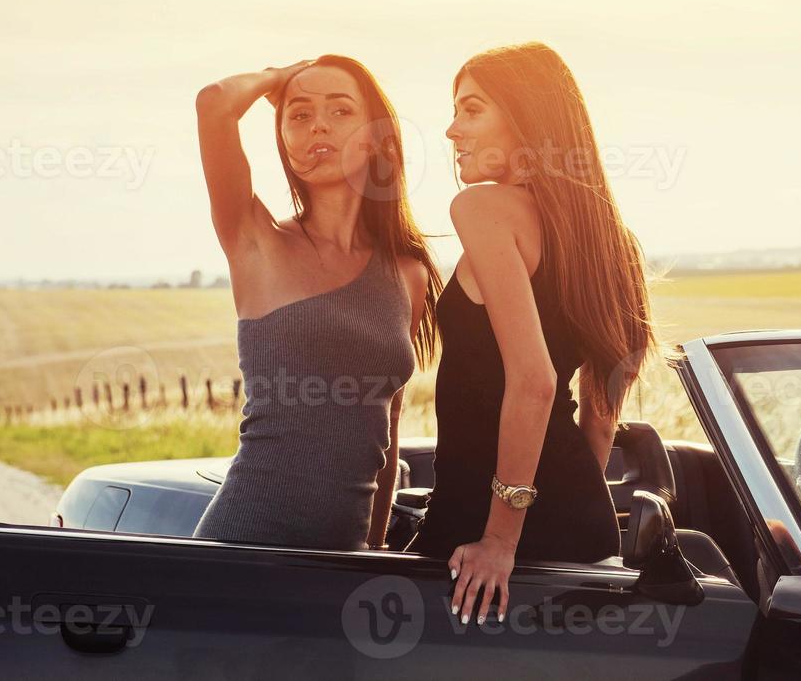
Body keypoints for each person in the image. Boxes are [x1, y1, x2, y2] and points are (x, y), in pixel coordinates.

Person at [410, 42, 658, 626]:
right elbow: (599, 418)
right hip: (578, 518)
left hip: (485, 531)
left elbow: (534, 381)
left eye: (471, 109)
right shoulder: (608, 239)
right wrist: (560, 508)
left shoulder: (483, 208)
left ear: (524, 117)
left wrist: (502, 539)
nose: (451, 130)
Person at [192, 55, 440, 550]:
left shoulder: (407, 274)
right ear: (282, 138)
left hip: (343, 559)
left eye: (341, 111)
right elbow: (214, 104)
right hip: (241, 546)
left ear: (375, 136)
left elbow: (385, 436)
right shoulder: (257, 241)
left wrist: (372, 547)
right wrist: (277, 80)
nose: (319, 125)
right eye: (300, 116)